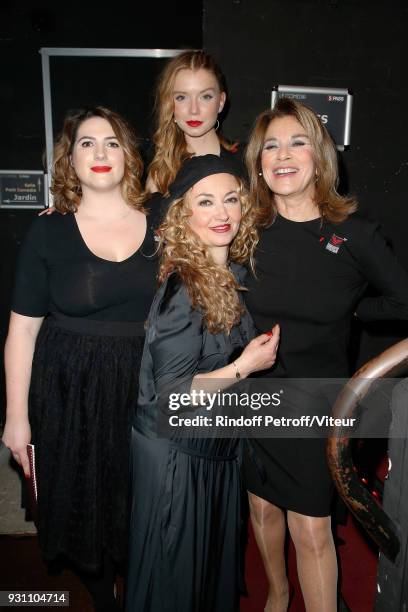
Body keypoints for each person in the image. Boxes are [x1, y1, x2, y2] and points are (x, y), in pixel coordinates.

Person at [242, 97, 408, 612]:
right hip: (253, 393)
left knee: (311, 528)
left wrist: (355, 310)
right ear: (258, 160)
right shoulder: (246, 229)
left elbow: (402, 300)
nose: (283, 155)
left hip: (317, 402)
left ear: (320, 155)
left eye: (297, 142)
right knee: (262, 509)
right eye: (271, 145)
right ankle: (277, 593)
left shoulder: (354, 235)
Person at [2, 106, 159, 611]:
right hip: (70, 390)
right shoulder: (49, 232)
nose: (99, 153)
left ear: (128, 156)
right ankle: (102, 597)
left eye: (112, 142)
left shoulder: (164, 220)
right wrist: (15, 418)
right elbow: (22, 330)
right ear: (69, 160)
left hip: (144, 384)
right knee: (85, 501)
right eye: (87, 143)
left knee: (140, 502)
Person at [125, 154, 280, 612]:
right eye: (206, 202)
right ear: (183, 216)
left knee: (202, 582)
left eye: (230, 199)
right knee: (175, 586)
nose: (222, 213)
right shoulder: (185, 287)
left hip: (209, 454)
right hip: (178, 460)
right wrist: (244, 367)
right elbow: (174, 395)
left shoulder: (225, 277)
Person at [146, 49, 244, 194]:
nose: (194, 110)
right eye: (181, 97)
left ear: (221, 101)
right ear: (169, 103)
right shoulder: (160, 175)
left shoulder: (244, 163)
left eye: (205, 97)